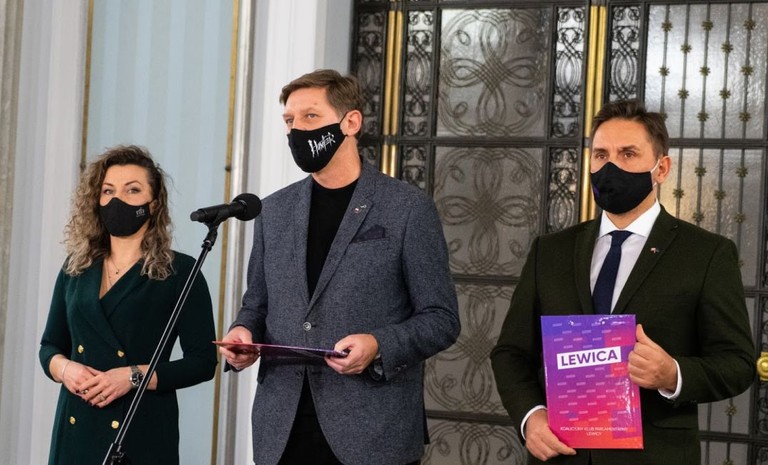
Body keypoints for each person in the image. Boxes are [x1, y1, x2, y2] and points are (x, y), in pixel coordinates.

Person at [490, 100, 754, 465]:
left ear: (662, 168)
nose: (610, 167)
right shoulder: (549, 251)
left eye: (628, 154)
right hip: (561, 454)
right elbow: (510, 353)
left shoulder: (706, 254)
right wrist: (531, 417)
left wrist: (672, 373)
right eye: (601, 155)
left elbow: (738, 363)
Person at [218, 69, 460, 465]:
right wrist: (244, 332)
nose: (297, 130)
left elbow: (441, 319)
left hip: (372, 433)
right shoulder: (273, 211)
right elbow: (256, 304)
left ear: (351, 122)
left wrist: (378, 344)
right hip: (281, 431)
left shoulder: (407, 209)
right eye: (289, 121)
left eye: (310, 116)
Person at [39, 145, 218, 465]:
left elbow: (203, 362)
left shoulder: (180, 271)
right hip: (76, 426)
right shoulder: (76, 267)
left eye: (132, 190)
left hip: (140, 428)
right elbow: (50, 347)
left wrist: (132, 377)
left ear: (154, 203)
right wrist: (66, 370)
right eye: (108, 191)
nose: (117, 200)